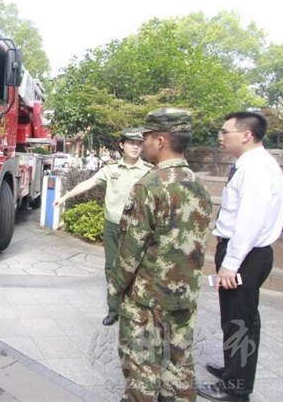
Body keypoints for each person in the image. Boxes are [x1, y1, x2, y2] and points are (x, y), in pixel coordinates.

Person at [108, 108, 212, 401]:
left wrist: (115, 288)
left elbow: (130, 250)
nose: (144, 144)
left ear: (161, 140)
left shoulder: (149, 186)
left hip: (147, 296)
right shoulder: (198, 185)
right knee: (179, 365)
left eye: (148, 138)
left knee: (142, 367)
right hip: (184, 294)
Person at [197, 112, 283, 402]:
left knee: (239, 321)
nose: (221, 137)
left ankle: (236, 389)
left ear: (246, 134)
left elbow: (250, 219)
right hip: (245, 252)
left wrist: (231, 263)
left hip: (246, 254)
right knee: (240, 319)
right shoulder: (251, 164)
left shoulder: (257, 168)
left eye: (225, 132)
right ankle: (235, 370)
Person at [54, 128, 153, 325]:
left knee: (138, 269)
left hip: (136, 228)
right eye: (131, 143)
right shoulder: (111, 169)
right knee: (112, 268)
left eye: (139, 143)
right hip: (112, 225)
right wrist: (65, 197)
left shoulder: (148, 171)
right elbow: (88, 183)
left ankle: (134, 310)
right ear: (121, 145)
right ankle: (114, 309)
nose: (135, 146)